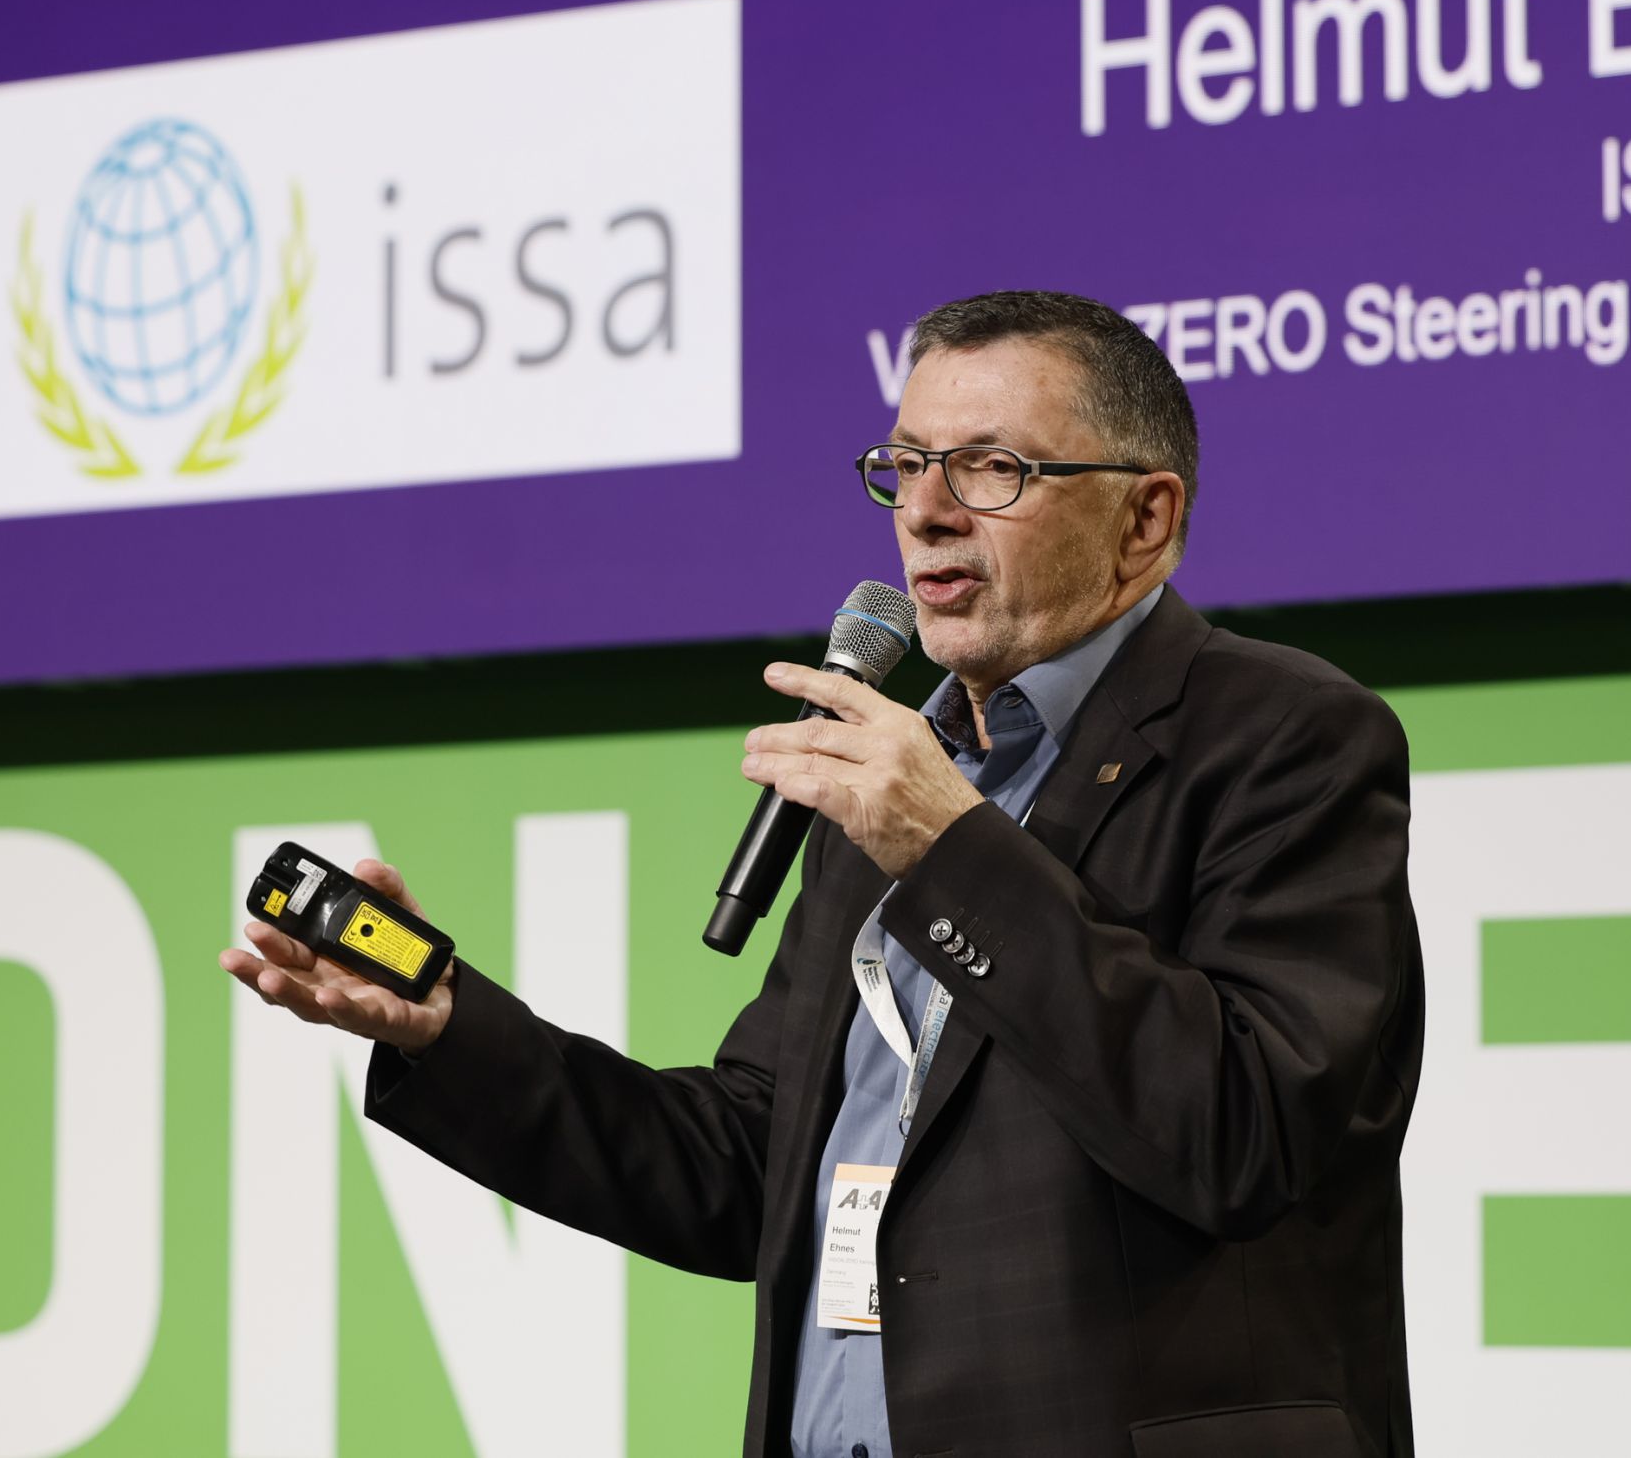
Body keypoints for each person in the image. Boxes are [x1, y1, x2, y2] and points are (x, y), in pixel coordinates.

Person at [221, 290, 1424, 1457]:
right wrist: (447, 1029)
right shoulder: (892, 781)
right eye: (907, 465)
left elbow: (1244, 1133)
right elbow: (746, 1167)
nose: (927, 513)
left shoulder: (1284, 738)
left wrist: (949, 849)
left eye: (991, 469)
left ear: (1144, 519)